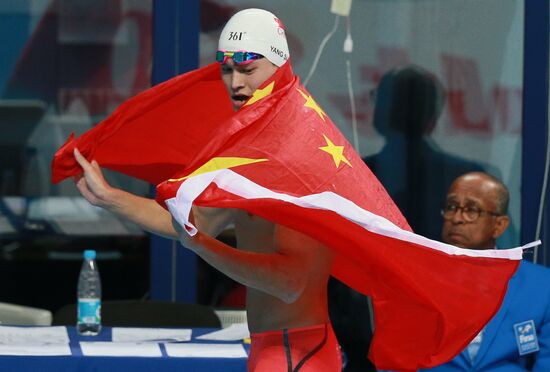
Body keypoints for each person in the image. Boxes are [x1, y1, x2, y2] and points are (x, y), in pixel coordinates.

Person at [72, 8, 342, 371]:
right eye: (228, 70)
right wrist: (110, 197)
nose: (235, 84)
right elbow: (191, 222)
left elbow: (291, 282)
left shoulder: (301, 154)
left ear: (280, 69)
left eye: (248, 70)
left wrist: (201, 244)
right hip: (271, 346)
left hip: (299, 350)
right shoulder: (250, 150)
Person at [421, 172, 550, 371]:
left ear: (499, 226)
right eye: (452, 207)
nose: (457, 218)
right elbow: (392, 358)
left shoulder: (541, 285)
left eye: (471, 210)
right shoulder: (416, 278)